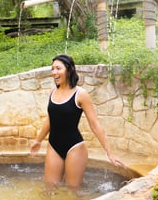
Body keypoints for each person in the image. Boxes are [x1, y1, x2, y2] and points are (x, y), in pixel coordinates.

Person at [30, 54, 124, 188]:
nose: (54, 72)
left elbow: (95, 125)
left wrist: (110, 152)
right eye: (52, 69)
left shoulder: (80, 94)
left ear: (68, 70)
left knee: (72, 192)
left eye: (58, 68)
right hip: (54, 146)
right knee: (49, 189)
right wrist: (38, 141)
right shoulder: (53, 92)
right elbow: (51, 119)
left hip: (74, 148)